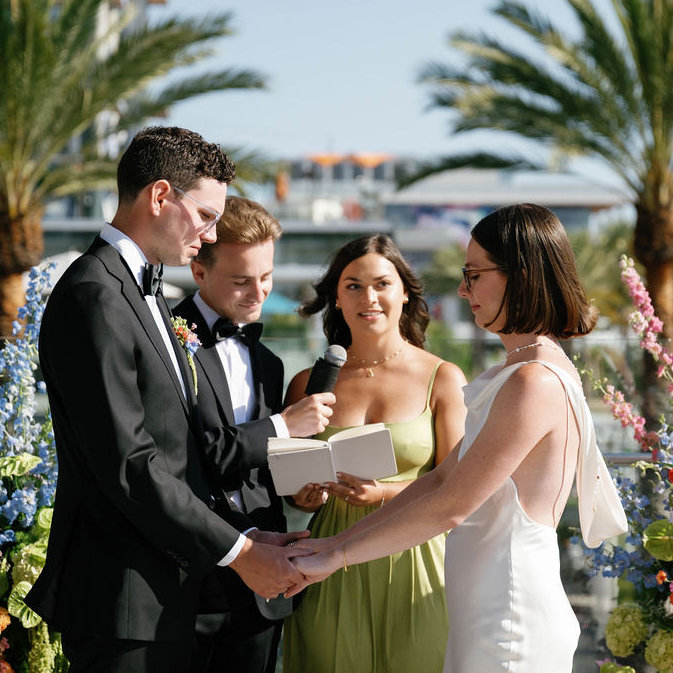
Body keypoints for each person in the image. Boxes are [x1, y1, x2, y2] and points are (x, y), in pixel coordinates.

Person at [25, 127, 325, 672]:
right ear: (160, 196)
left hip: (165, 595)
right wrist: (242, 554)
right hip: (123, 597)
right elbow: (130, 465)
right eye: (206, 216)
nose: (210, 235)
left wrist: (253, 534)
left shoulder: (144, 290)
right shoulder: (96, 294)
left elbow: (179, 451)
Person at [288, 205, 628, 673]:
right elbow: (441, 479)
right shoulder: (519, 372)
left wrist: (338, 554)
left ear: (520, 275)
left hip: (509, 609)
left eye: (474, 274)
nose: (463, 288)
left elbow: (453, 504)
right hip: (483, 604)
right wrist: (331, 546)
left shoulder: (533, 381)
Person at [280, 234, 468, 673]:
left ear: (405, 292)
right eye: (353, 286)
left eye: (382, 284)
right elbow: (287, 485)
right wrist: (301, 497)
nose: (369, 297)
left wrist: (381, 494)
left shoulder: (443, 377)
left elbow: (459, 483)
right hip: (328, 559)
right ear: (336, 300)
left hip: (417, 558)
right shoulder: (308, 382)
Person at [172, 196, 324, 673]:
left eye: (267, 277)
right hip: (187, 574)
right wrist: (284, 425)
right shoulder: (165, 342)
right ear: (199, 270)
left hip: (264, 575)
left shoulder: (269, 364)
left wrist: (308, 484)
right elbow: (186, 457)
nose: (258, 293)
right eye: (241, 281)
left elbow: (257, 467)